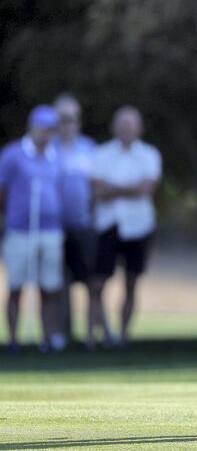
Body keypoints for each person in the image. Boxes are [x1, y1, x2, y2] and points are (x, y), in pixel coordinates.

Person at [90, 106, 161, 347]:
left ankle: (123, 335)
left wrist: (114, 189)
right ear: (114, 127)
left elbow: (146, 189)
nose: (126, 130)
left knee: (131, 283)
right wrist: (130, 189)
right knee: (98, 283)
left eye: (130, 125)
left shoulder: (149, 154)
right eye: (121, 125)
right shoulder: (101, 154)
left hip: (138, 227)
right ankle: (100, 333)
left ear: (139, 128)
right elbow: (98, 191)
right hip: (108, 226)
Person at [0, 105, 66, 353]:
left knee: (49, 288)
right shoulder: (13, 155)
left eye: (51, 130)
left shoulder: (56, 155)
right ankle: (14, 340)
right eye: (44, 128)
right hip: (20, 230)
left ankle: (48, 339)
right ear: (32, 127)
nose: (47, 134)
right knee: (16, 287)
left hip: (51, 230)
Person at [51, 93, 98, 347]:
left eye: (73, 118)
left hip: (84, 226)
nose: (69, 123)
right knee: (56, 284)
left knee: (91, 282)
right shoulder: (47, 149)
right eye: (64, 118)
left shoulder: (90, 148)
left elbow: (97, 188)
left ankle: (92, 336)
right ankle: (59, 335)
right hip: (55, 228)